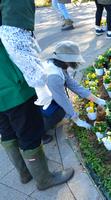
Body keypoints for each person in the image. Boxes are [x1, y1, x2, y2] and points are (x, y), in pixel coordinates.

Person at [0, 0, 74, 190]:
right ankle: (44, 179)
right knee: (29, 132)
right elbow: (16, 41)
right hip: (12, 84)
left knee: (7, 130)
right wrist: (39, 83)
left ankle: (25, 173)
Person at [42, 41, 106, 135]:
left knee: (65, 110)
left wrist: (98, 100)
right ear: (66, 60)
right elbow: (62, 99)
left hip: (50, 95)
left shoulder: (58, 65)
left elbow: (74, 86)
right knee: (60, 113)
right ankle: (42, 131)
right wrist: (76, 119)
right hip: (38, 103)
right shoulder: (53, 76)